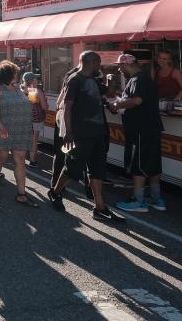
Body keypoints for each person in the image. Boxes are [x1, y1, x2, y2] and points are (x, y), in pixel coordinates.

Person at [48, 51, 125, 224]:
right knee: (72, 166)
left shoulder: (95, 80)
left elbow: (110, 94)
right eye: (98, 63)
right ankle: (55, 191)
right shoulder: (75, 80)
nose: (100, 66)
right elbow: (67, 107)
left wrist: (111, 81)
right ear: (91, 62)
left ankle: (99, 207)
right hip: (81, 132)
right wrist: (68, 132)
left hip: (98, 132)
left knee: (97, 169)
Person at [111, 54, 166, 213]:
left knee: (138, 163)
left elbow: (137, 101)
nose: (119, 69)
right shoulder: (146, 78)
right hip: (153, 127)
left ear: (126, 65)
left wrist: (117, 104)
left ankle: (138, 200)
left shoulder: (137, 79)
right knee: (153, 162)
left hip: (141, 129)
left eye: (120, 66)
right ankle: (157, 199)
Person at [0, 61, 37, 207]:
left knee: (20, 159)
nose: (16, 75)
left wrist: (32, 91)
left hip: (20, 130)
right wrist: (0, 126)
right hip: (2, 129)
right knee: (0, 159)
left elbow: (32, 102)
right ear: (5, 74)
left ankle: (21, 194)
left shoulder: (18, 89)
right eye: (14, 73)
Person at [21, 72, 48, 167]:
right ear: (32, 80)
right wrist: (45, 102)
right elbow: (43, 107)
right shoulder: (34, 91)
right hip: (34, 120)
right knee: (33, 140)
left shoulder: (21, 90)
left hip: (23, 118)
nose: (38, 80)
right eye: (36, 79)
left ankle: (21, 159)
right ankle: (32, 161)